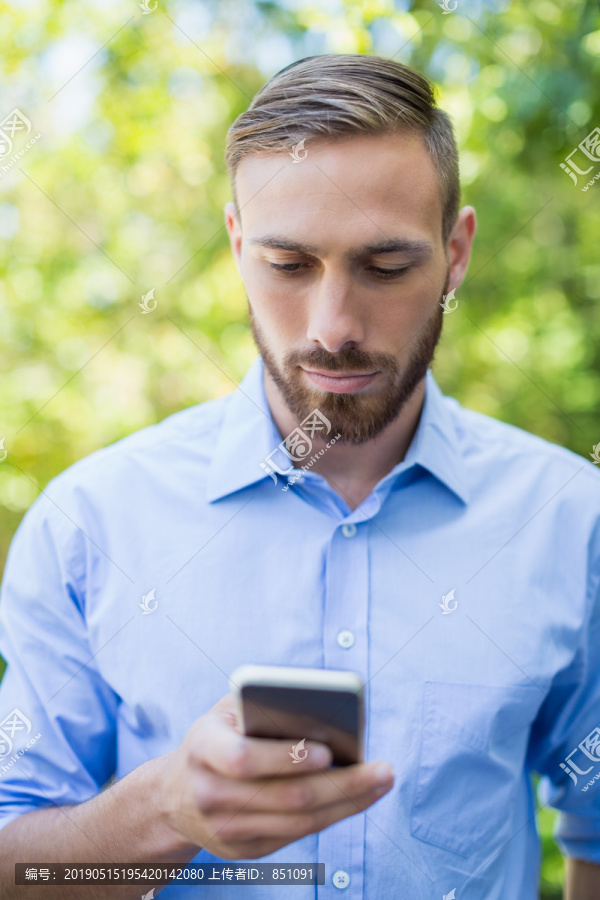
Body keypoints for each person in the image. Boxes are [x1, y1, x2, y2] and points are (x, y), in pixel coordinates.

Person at [0, 53, 599, 900]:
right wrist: (163, 811)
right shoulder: (89, 524)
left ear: (456, 253)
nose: (334, 327)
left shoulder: (571, 520)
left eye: (386, 267)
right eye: (287, 265)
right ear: (239, 245)